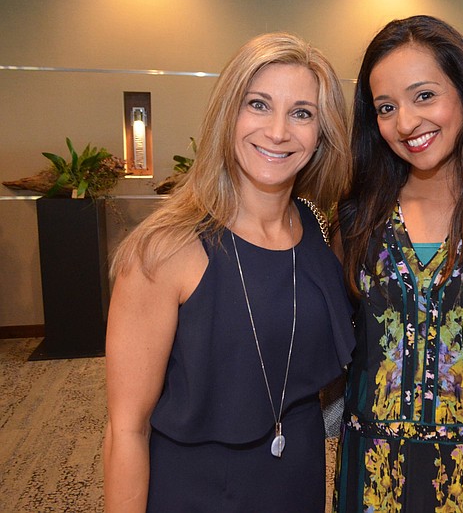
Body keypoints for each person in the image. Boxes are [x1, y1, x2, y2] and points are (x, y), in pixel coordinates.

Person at [103, 32, 355, 512]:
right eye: (258, 105)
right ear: (228, 114)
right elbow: (125, 429)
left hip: (298, 485)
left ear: (322, 132)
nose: (279, 131)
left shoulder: (319, 234)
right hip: (199, 493)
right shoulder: (165, 250)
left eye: (302, 112)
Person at [334, 15, 463, 512]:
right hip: (371, 482)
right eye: (386, 107)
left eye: (424, 96)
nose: (405, 123)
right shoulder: (355, 216)